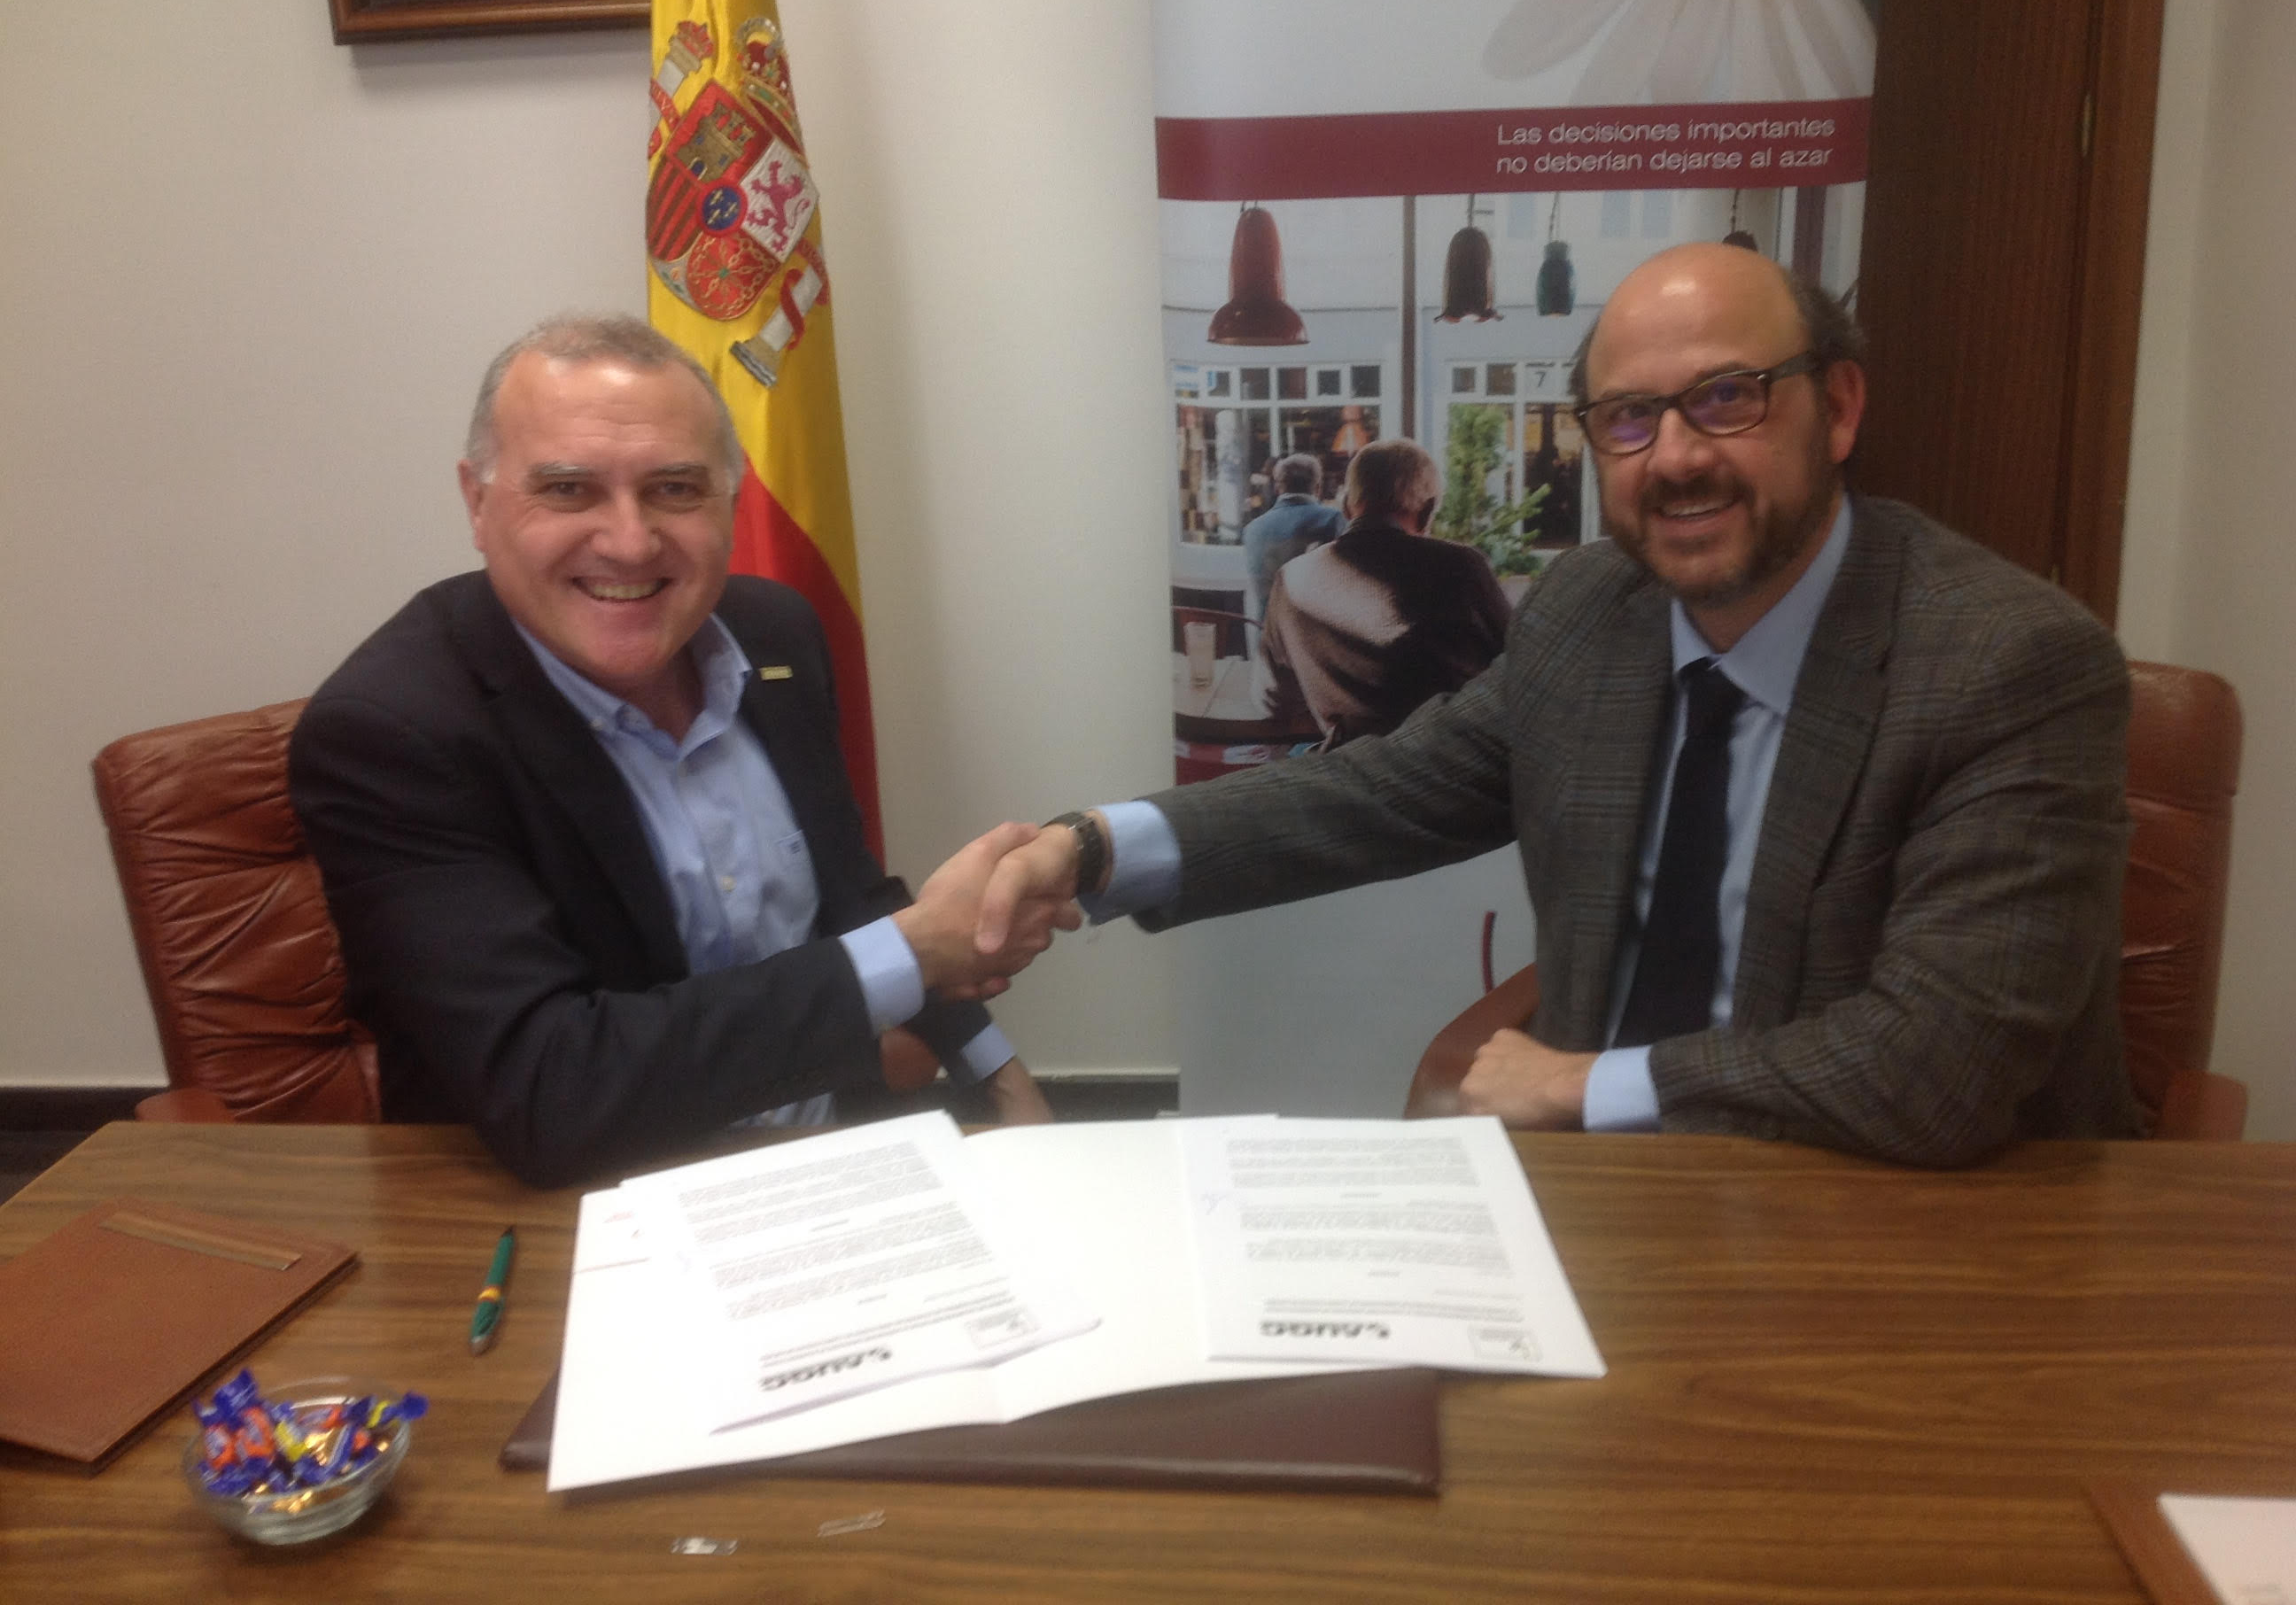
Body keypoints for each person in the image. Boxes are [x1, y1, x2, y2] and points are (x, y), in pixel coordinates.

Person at [978, 243, 2140, 1167]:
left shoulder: (2012, 666)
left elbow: (1936, 1071)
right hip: (1614, 1197)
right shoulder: (1596, 608)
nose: (1675, 457)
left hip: (1905, 1223)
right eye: (1629, 418)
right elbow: (1382, 790)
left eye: (1727, 398)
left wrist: (1582, 1084)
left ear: (1836, 409)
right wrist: (1087, 851)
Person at [290, 316, 1051, 1188]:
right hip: (575, 1209)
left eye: (676, 489)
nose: (631, 540)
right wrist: (913, 953)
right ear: (477, 502)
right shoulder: (393, 734)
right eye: (570, 490)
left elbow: (846, 897)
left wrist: (998, 1075)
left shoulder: (776, 633)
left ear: (730, 498)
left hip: (829, 1165)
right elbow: (552, 1087)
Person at [1255, 438, 1511, 748]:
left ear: (1348, 506)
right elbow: (1520, 668)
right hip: (1451, 770)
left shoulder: (1291, 579)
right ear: (1428, 511)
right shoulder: (1461, 567)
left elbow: (1274, 700)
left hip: (1350, 773)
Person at [1241, 454, 1345, 633]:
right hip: (1314, 642)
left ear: (1277, 488)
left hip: (1266, 641)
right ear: (1318, 487)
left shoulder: (1251, 530)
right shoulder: (1332, 519)